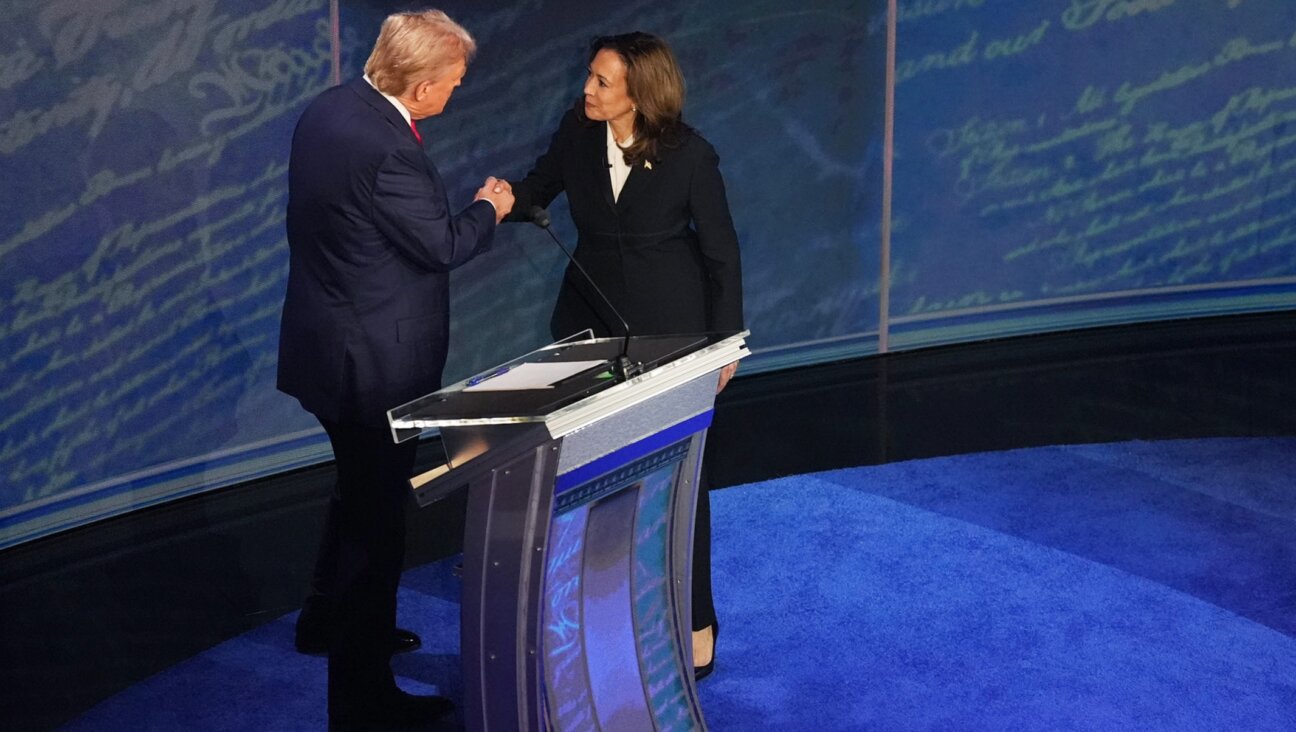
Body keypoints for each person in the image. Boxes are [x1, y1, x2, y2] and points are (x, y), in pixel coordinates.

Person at [276, 9, 513, 728]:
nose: (454, 93)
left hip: (329, 349)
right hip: (373, 366)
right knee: (375, 529)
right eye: (451, 83)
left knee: (356, 493)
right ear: (418, 88)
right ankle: (363, 700)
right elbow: (439, 244)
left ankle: (328, 624)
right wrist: (489, 208)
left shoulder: (330, 108)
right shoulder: (388, 151)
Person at [504, 31, 742, 681]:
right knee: (596, 479)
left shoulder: (691, 156)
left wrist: (726, 345)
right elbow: (537, 191)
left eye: (602, 81)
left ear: (639, 92)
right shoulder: (576, 135)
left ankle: (697, 624)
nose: (587, 89)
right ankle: (600, 619)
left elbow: (721, 255)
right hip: (589, 332)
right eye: (590, 76)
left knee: (680, 485)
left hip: (674, 337)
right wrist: (499, 204)